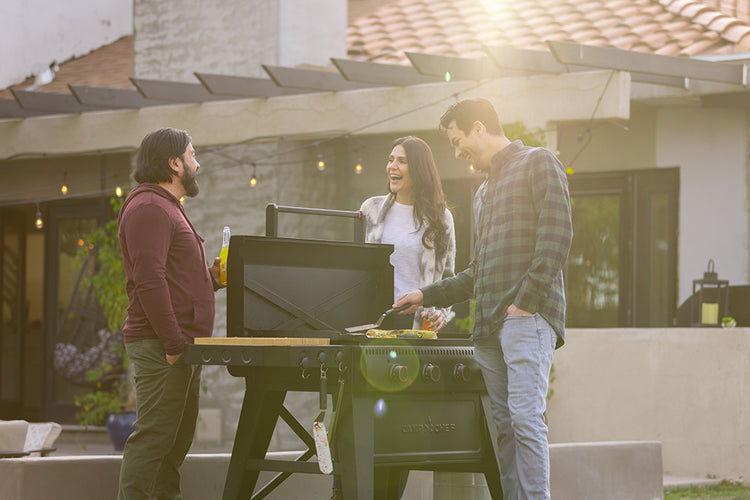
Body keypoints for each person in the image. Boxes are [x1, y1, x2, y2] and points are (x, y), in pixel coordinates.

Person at [394, 99, 573, 500]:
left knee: (526, 419)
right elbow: (479, 271)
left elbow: (557, 236)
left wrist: (524, 303)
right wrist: (426, 294)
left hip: (527, 318)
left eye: (458, 141)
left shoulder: (539, 162)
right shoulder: (483, 192)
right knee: (505, 427)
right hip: (487, 327)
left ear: (478, 128)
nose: (458, 153)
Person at [331, 136, 456, 500]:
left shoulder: (441, 219)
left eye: (401, 161)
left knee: (398, 427)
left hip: (413, 335)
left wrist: (439, 315)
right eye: (389, 160)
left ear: (418, 169)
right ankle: (344, 492)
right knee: (352, 419)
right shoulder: (370, 210)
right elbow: (353, 271)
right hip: (370, 330)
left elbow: (449, 281)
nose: (392, 167)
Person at [117, 128, 224, 500]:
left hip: (179, 346)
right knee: (153, 439)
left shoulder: (167, 206)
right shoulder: (149, 207)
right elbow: (149, 281)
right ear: (174, 163)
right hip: (162, 346)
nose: (198, 163)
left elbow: (174, 279)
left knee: (174, 443)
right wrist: (174, 345)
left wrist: (210, 279)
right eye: (192, 155)